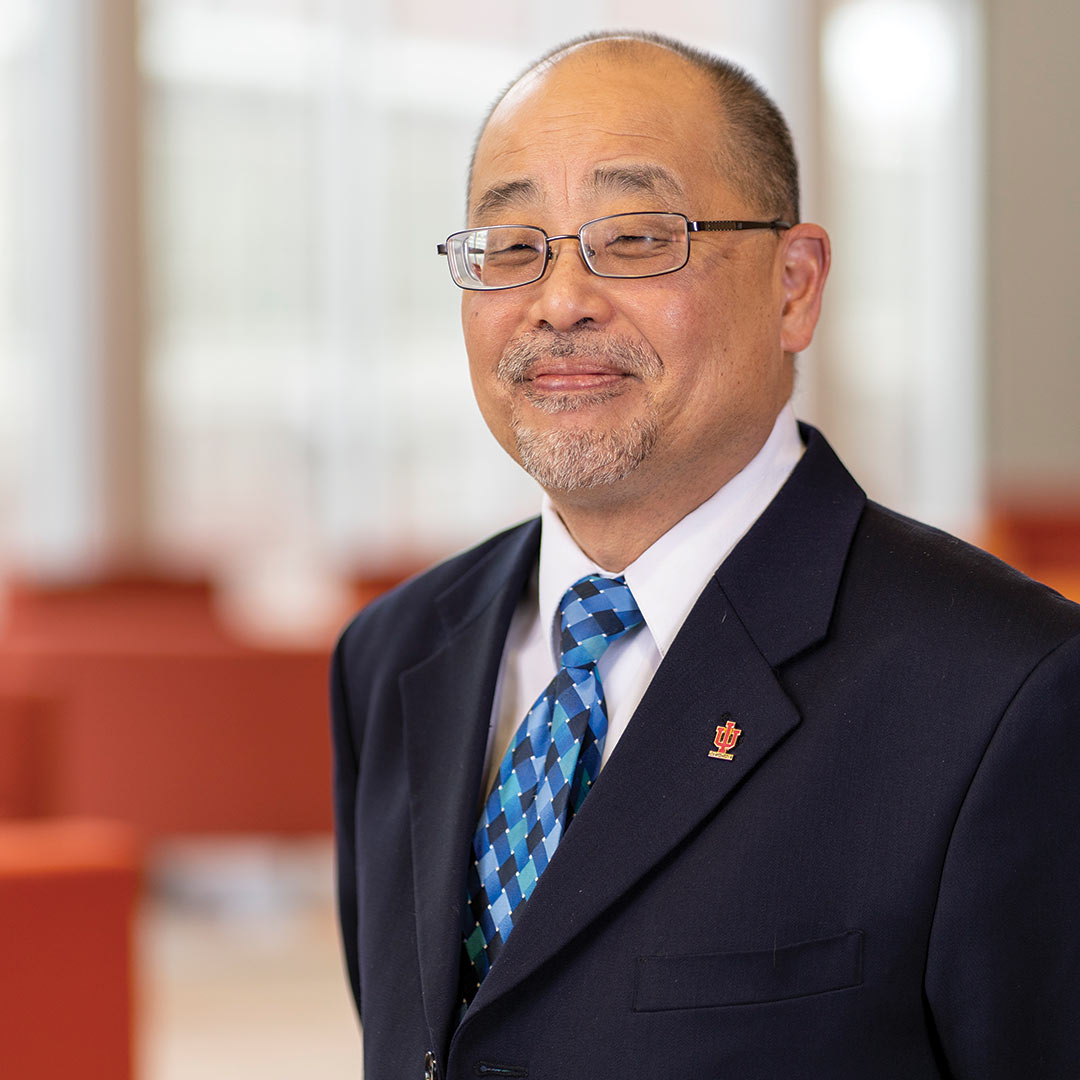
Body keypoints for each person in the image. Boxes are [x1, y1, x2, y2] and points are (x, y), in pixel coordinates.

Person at [331, 30, 1080, 1080]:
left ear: (794, 285)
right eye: (511, 246)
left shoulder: (1010, 689)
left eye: (635, 237)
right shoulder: (395, 656)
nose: (558, 300)